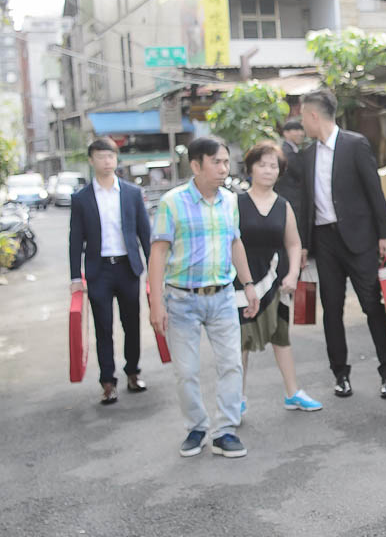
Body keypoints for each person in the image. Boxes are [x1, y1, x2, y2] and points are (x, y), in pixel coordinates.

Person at [148, 138, 259, 458]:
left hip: (223, 296)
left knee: (231, 365)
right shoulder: (172, 202)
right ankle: (196, 426)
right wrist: (156, 303)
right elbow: (158, 255)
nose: (224, 169)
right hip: (181, 300)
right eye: (217, 162)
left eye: (226, 162)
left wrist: (248, 283)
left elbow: (235, 243)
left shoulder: (229, 201)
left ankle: (225, 430)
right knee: (186, 370)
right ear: (196, 166)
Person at [297, 89, 386, 400]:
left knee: (372, 306)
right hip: (324, 240)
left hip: (361, 239)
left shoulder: (355, 144)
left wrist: (385, 236)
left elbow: (374, 192)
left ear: (314, 115)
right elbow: (305, 204)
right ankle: (340, 374)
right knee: (331, 309)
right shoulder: (307, 155)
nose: (301, 124)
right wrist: (302, 245)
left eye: (303, 117)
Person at [236, 141, 322, 414]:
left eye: (273, 166)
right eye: (262, 165)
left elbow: (294, 244)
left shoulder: (283, 205)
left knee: (281, 336)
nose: (268, 170)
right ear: (250, 168)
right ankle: (236, 399)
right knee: (241, 341)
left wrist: (293, 274)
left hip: (277, 278)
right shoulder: (236, 202)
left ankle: (292, 392)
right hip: (243, 280)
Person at [68, 137, 152, 405]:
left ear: (116, 160)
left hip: (128, 267)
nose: (107, 162)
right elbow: (75, 239)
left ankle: (133, 372)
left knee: (132, 323)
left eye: (111, 157)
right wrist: (75, 276)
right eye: (101, 157)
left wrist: (154, 268)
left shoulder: (131, 193)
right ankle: (107, 381)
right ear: (91, 160)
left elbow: (144, 233)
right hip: (99, 270)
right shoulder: (81, 198)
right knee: (103, 327)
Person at [275, 119, 306, 212]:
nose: (300, 133)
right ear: (286, 133)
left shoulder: (293, 150)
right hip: (292, 201)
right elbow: (301, 173)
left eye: (301, 130)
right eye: (296, 130)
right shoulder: (286, 152)